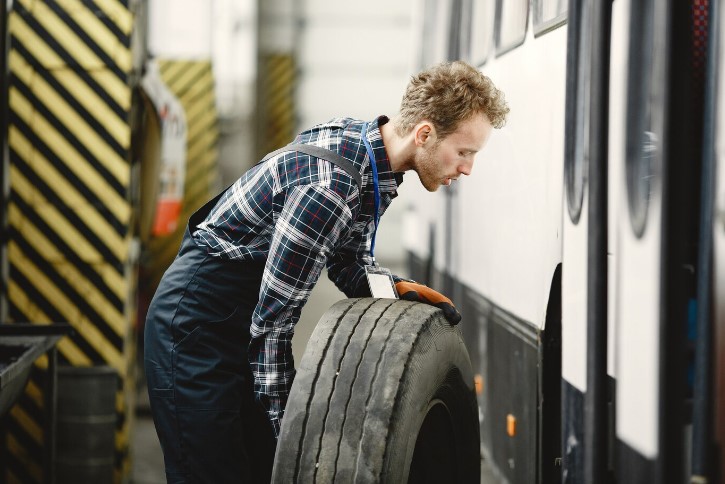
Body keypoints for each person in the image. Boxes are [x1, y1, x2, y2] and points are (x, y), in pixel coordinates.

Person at [144, 60, 509, 483]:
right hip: (193, 329)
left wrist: (395, 289)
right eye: (464, 152)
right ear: (424, 133)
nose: (467, 168)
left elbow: (345, 259)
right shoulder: (329, 188)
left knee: (257, 467)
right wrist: (295, 435)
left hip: (236, 322)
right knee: (215, 472)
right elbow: (274, 324)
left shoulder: (372, 161)